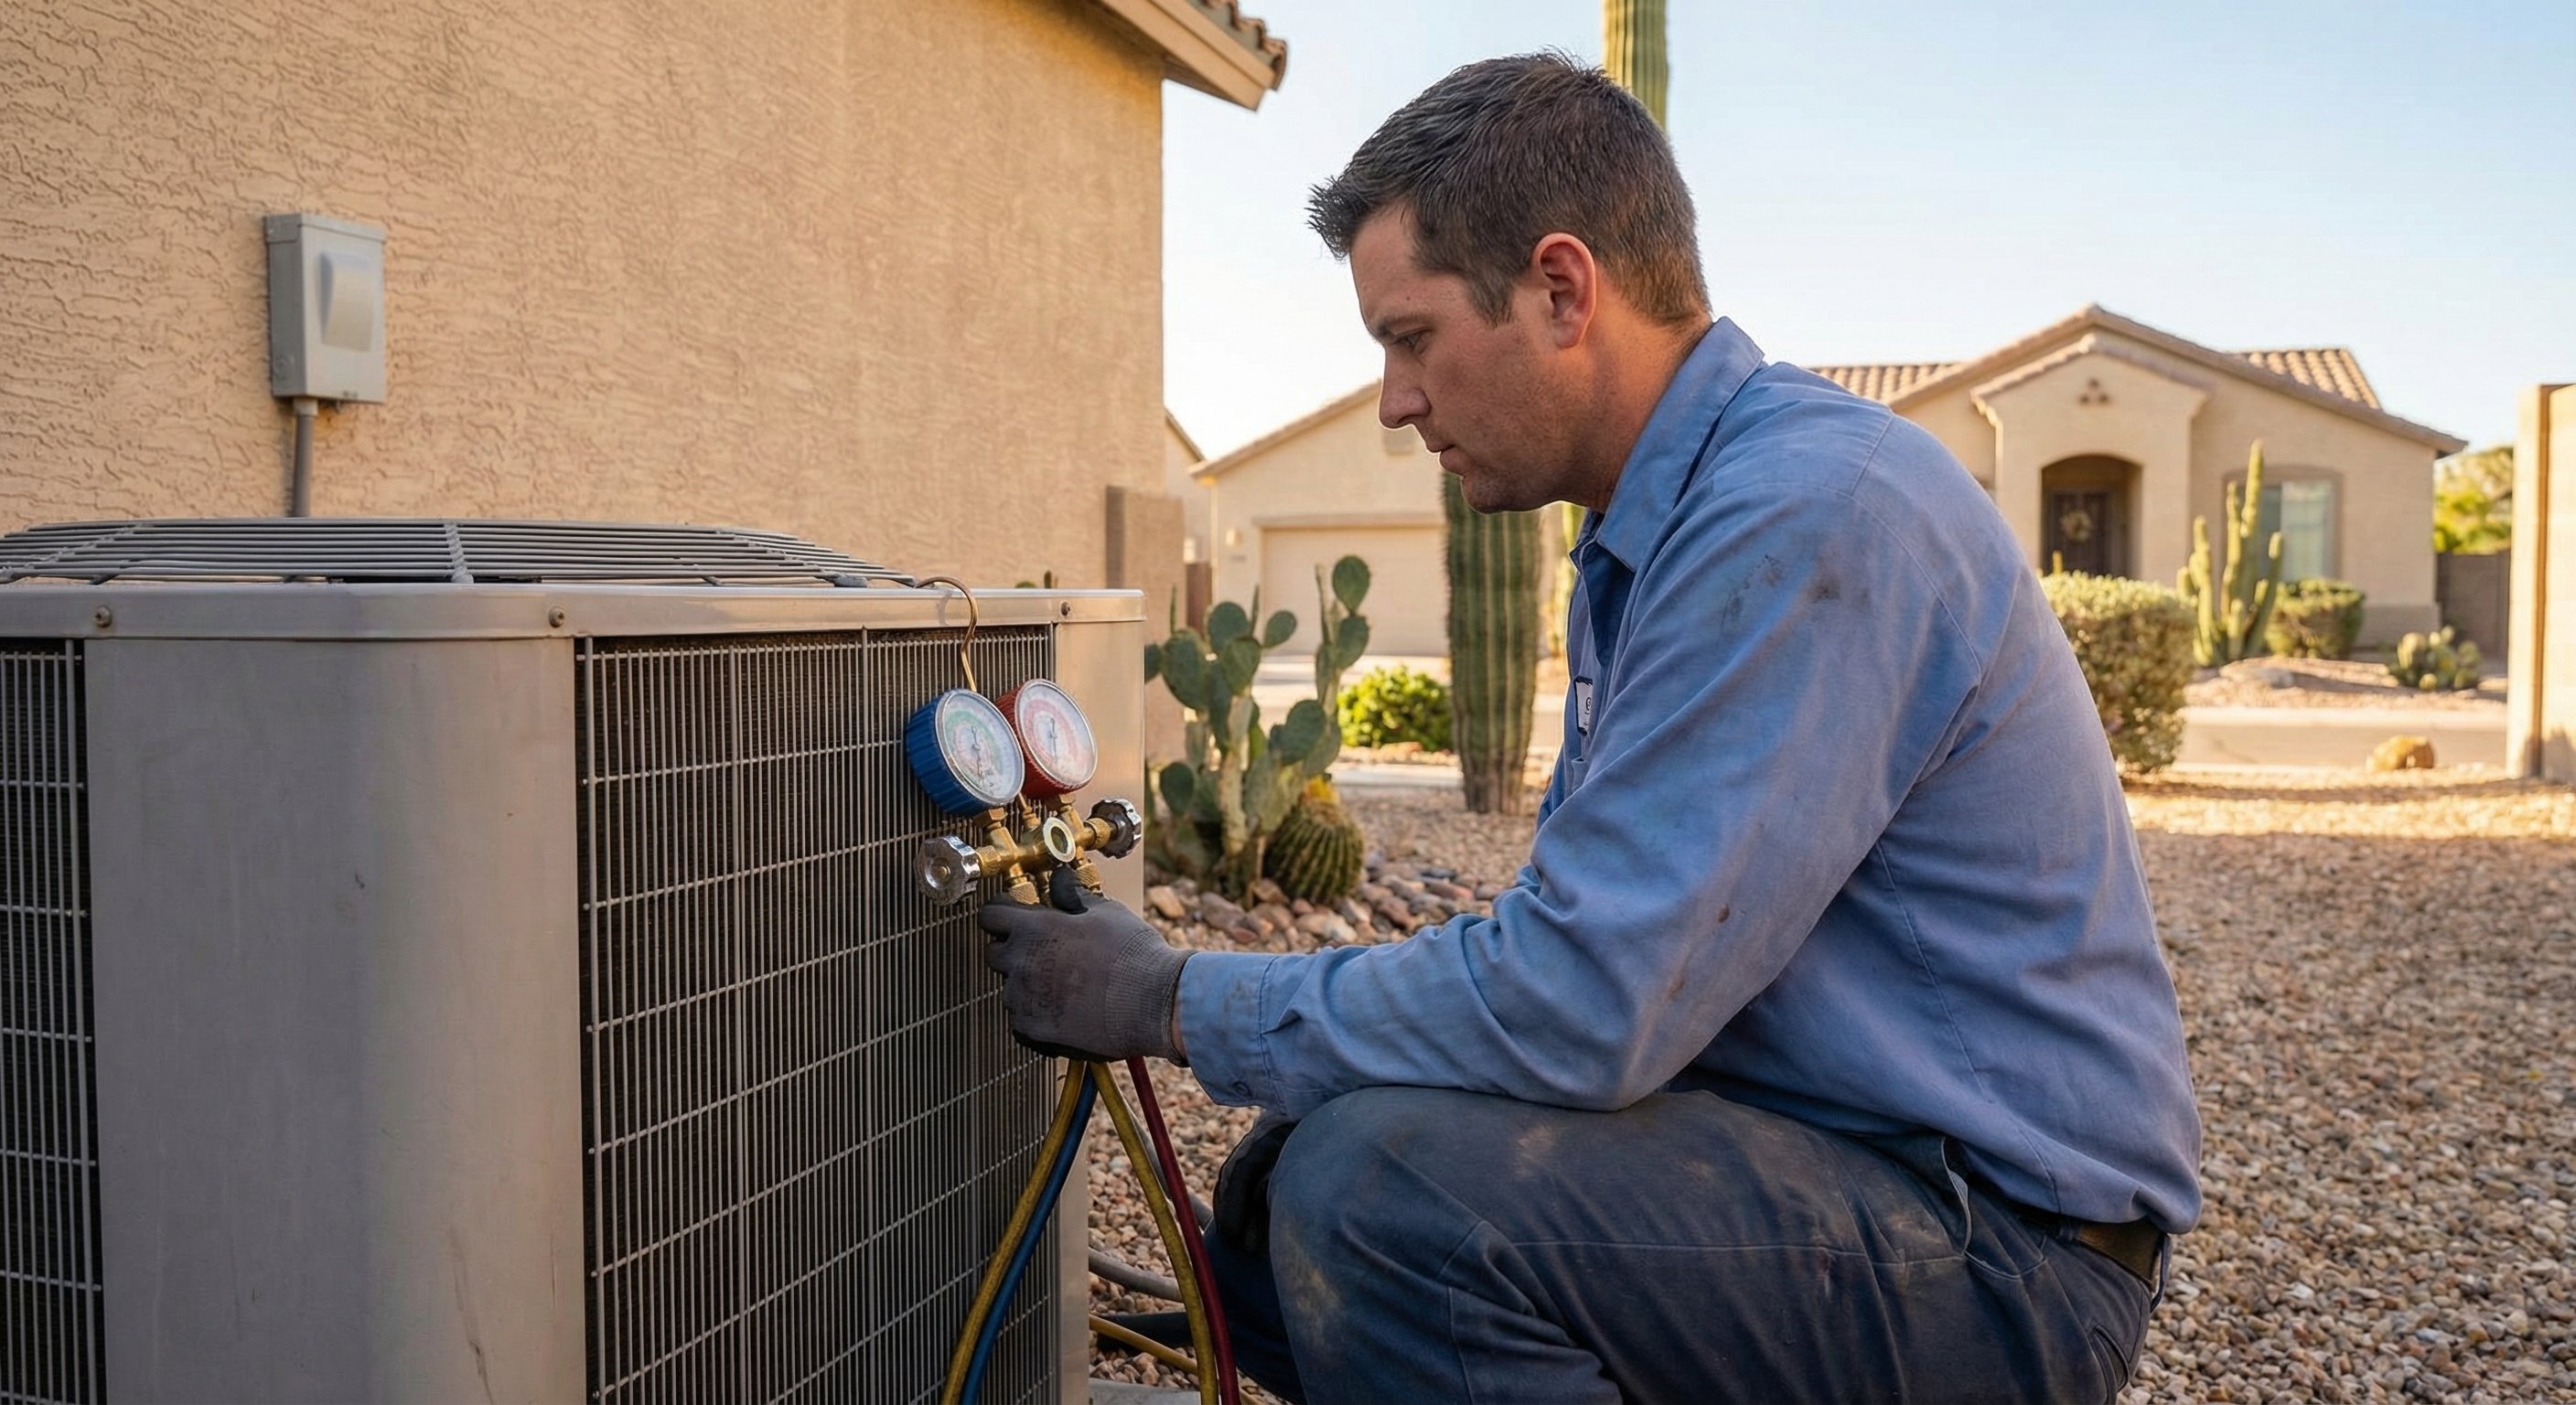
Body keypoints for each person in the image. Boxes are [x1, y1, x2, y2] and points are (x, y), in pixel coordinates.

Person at [979, 53, 2201, 1404]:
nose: (1394, 400)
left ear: (1563, 291)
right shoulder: (1663, 532)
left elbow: (1581, 1005)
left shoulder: (1805, 513)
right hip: (1852, 1168)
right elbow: (1581, 958)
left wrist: (1168, 997)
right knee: (1283, 1188)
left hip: (2002, 1256)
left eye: (1412, 338)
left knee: (1381, 1197)